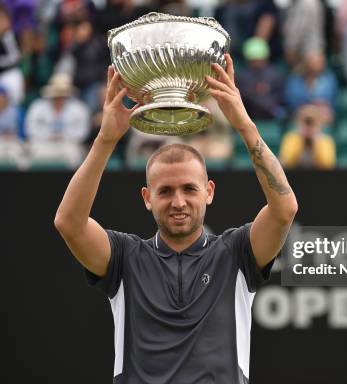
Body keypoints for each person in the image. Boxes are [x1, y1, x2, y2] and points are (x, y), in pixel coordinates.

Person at [53, 55, 298, 383]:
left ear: (209, 192)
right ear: (147, 198)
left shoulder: (236, 252)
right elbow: (68, 223)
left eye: (189, 189)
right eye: (165, 191)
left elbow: (285, 210)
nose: (178, 201)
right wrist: (106, 140)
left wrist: (243, 124)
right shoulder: (125, 257)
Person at [279, 104, 336, 169]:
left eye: (313, 122)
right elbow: (287, 162)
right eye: (306, 122)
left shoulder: (326, 141)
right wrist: (300, 138)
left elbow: (328, 165)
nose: (309, 126)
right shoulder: (290, 138)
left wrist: (316, 141)